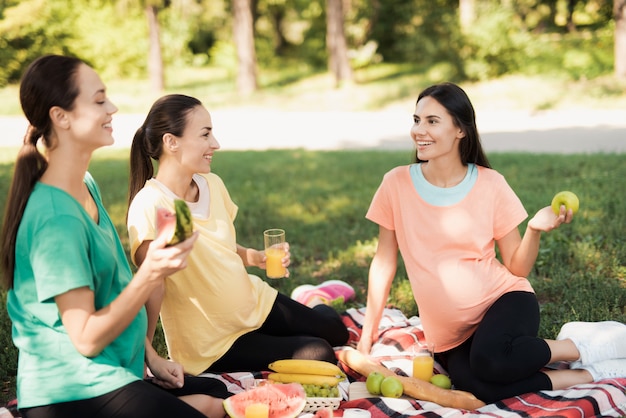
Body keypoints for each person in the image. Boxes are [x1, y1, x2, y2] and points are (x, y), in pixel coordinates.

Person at [356, 82, 626, 404]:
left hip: (504, 300)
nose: (419, 131)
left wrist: (534, 231)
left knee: (492, 360)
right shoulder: (395, 183)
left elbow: (517, 266)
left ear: (460, 130)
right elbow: (384, 261)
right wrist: (366, 338)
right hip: (451, 336)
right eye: (417, 120)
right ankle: (586, 374)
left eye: (432, 121)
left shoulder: (490, 184)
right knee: (478, 389)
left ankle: (582, 346)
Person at [0, 55, 231, 418]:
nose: (113, 107)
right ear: (61, 117)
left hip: (116, 369)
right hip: (71, 391)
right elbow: (86, 338)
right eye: (98, 100)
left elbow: (108, 294)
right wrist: (151, 274)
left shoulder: (85, 186)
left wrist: (151, 358)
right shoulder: (56, 218)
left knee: (216, 395)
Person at [125, 94, 350, 376]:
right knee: (320, 352)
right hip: (215, 342)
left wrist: (253, 256)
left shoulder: (211, 183)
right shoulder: (156, 205)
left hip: (254, 303)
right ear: (172, 142)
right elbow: (153, 281)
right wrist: (149, 353)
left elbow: (220, 248)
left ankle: (314, 299)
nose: (215, 144)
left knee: (338, 333)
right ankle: (304, 315)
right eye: (205, 134)